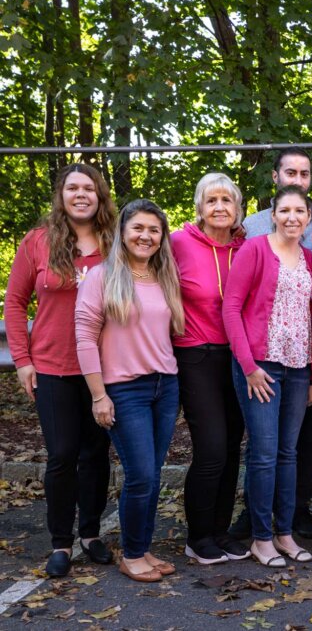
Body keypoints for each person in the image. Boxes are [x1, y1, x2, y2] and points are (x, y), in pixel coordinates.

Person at [5, 163, 117, 578]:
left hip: (105, 369)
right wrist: (23, 360)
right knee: (62, 455)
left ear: (99, 195)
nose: (82, 194)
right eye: (73, 188)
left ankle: (90, 533)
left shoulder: (114, 242)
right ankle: (61, 543)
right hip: (53, 366)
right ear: (62, 195)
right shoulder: (37, 242)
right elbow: (15, 304)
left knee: (96, 454)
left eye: (89, 188)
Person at [75, 199, 185, 582]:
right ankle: (133, 554)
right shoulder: (102, 276)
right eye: (138, 227)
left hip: (164, 386)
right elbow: (85, 338)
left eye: (154, 230)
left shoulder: (165, 276)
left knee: (151, 474)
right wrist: (98, 395)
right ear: (123, 231)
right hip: (124, 390)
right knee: (140, 474)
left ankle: (142, 546)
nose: (146, 236)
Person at [233, 147, 312, 540]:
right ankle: (257, 520)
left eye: (304, 173)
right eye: (289, 171)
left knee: (299, 443)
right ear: (274, 178)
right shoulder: (252, 230)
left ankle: (294, 514)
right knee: (262, 444)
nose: (297, 177)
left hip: (304, 358)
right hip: (261, 356)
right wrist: (247, 363)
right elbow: (237, 303)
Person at [223, 186, 312, 567]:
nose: (292, 217)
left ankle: (284, 533)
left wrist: (311, 375)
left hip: (297, 369)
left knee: (288, 453)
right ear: (273, 214)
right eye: (285, 210)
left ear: (309, 218)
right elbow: (231, 308)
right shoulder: (255, 249)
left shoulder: (310, 257)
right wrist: (248, 367)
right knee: (263, 453)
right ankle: (261, 538)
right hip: (260, 367)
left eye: (300, 211)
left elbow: (311, 318)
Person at [170, 173, 250, 565]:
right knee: (212, 448)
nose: (220, 207)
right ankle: (197, 535)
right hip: (195, 354)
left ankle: (220, 531)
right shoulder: (177, 243)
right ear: (199, 207)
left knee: (233, 447)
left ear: (238, 209)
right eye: (212, 200)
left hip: (237, 358)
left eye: (227, 200)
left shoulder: (248, 248)